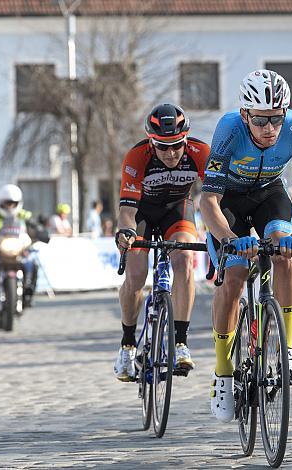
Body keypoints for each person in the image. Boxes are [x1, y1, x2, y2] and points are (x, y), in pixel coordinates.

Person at [199, 69, 292, 422]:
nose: (270, 129)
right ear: (245, 114)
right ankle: (223, 372)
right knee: (234, 275)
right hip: (229, 200)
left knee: (284, 252)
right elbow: (209, 201)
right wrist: (231, 240)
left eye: (276, 119)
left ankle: (288, 349)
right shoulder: (228, 129)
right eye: (261, 120)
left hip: (270, 194)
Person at [113, 103, 210, 382]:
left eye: (177, 145)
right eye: (162, 147)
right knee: (135, 276)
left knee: (184, 260)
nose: (171, 153)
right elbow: (127, 212)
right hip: (142, 212)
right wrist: (126, 233)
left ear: (186, 139)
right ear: (151, 142)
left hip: (177, 209)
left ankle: (181, 341)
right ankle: (128, 344)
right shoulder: (136, 156)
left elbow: (216, 200)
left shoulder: (200, 153)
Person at [0, 184, 49, 308]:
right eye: (7, 203)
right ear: (1, 202)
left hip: (19, 249)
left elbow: (34, 225)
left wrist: (41, 232)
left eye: (13, 203)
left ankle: (29, 292)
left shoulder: (24, 215)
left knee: (33, 263)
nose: (10, 206)